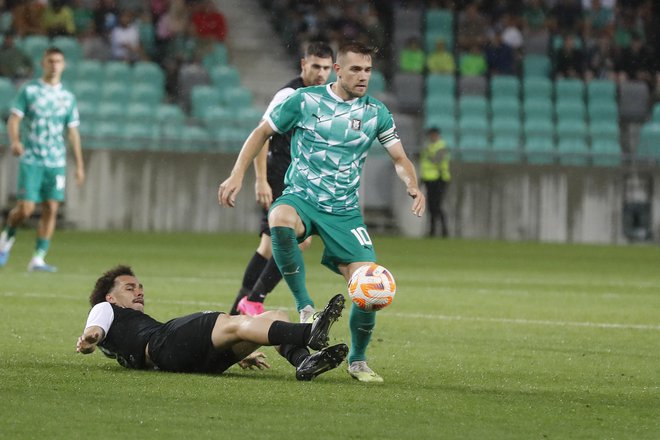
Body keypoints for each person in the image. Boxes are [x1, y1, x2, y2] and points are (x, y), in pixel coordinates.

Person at [218, 41, 426, 383]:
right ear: (339, 70)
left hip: (344, 212)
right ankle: (305, 307)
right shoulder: (304, 100)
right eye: (356, 69)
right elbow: (262, 132)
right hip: (301, 197)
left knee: (369, 288)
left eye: (368, 70)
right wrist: (238, 174)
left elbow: (400, 158)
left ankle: (358, 361)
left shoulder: (376, 113)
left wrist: (412, 184)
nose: (363, 76)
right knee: (278, 219)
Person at [76, 265, 348, 381]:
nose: (139, 291)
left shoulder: (123, 330)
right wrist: (89, 339)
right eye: (129, 287)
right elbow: (94, 331)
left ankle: (303, 362)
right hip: (163, 344)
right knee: (233, 322)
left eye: (140, 287)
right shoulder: (104, 307)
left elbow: (101, 339)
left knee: (274, 317)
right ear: (110, 297)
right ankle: (309, 333)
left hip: (189, 362)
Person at [230, 41, 334, 317]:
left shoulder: (324, 95)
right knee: (295, 239)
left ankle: (236, 313)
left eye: (326, 68)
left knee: (268, 246)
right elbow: (262, 134)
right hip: (282, 176)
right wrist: (260, 179)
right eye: (315, 66)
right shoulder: (289, 94)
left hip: (298, 177)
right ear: (304, 65)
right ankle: (252, 301)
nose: (321, 73)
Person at [0, 47, 85, 272]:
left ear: (63, 65)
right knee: (26, 209)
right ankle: (6, 237)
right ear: (43, 63)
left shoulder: (67, 97)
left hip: (56, 161)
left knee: (51, 208)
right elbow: (14, 119)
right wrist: (15, 141)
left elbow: (73, 132)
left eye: (58, 61)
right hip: (32, 158)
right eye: (50, 61)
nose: (54, 65)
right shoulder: (30, 91)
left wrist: (79, 165)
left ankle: (38, 258)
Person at [420, 127, 450, 238]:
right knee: (431, 207)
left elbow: (437, 161)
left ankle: (444, 231)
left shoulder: (441, 146)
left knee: (437, 206)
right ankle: (432, 231)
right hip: (429, 179)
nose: (432, 137)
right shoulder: (428, 147)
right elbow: (424, 164)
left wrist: (428, 153)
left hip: (439, 178)